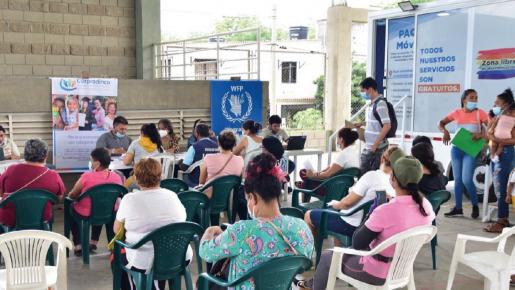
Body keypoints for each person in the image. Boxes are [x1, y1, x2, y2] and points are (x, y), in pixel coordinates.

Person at [305, 155, 435, 290]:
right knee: (342, 252)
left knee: (327, 257)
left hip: (375, 273)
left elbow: (357, 243)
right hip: (402, 268)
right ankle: (311, 284)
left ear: (393, 179)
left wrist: (371, 213)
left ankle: (313, 285)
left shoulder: (385, 210)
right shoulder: (426, 206)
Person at [199, 153, 314, 290]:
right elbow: (303, 265)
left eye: (247, 198)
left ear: (253, 198)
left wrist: (209, 231)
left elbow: (206, 252)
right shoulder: (301, 227)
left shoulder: (242, 231)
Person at [113, 158, 191, 290]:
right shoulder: (172, 195)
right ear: (161, 176)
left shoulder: (129, 199)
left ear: (136, 179)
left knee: (116, 257)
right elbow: (182, 219)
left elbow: (117, 230)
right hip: (180, 257)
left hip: (144, 262)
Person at [303, 147, 400, 245]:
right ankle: (338, 255)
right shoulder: (397, 183)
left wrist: (336, 205)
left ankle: (312, 252)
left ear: (382, 159)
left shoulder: (372, 176)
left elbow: (347, 203)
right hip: (371, 226)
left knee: (308, 215)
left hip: (352, 224)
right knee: (334, 214)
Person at [439, 89, 488, 219]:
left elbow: (492, 130)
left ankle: (475, 205)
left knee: (467, 179)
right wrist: (445, 131)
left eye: (476, 98)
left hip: (471, 150)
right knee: (458, 180)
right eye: (471, 97)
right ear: (464, 99)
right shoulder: (457, 112)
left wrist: (481, 135)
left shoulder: (480, 113)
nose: (474, 100)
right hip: (457, 149)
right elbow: (441, 123)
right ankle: (458, 208)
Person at [67, 148, 123, 256]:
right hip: (110, 212)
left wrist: (70, 195)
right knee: (101, 205)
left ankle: (78, 246)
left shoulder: (86, 176)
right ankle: (93, 242)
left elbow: (73, 194)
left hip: (87, 214)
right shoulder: (117, 176)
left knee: (72, 208)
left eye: (91, 160)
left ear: (97, 163)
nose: (90, 162)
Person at [0, 139, 65, 228]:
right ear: (46, 156)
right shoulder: (53, 175)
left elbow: (2, 191)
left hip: (11, 220)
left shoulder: (11, 170)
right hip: (41, 219)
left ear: (25, 154)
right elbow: (58, 198)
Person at [484, 88, 515, 233]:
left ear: (506, 104)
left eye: (497, 103)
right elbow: (488, 134)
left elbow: (512, 139)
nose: (494, 105)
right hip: (496, 154)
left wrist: (497, 140)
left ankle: (501, 221)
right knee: (498, 188)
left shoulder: (513, 115)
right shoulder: (499, 117)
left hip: (505, 154)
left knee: (502, 189)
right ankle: (503, 219)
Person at [354, 77, 391, 174]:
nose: (362, 94)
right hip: (370, 147)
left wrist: (375, 145)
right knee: (365, 175)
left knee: (370, 175)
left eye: (363, 91)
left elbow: (387, 125)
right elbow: (377, 121)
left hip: (377, 149)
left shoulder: (381, 104)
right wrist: (362, 123)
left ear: (370, 89)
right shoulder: (372, 104)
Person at [199, 130, 244, 198]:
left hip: (210, 198)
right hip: (230, 199)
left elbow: (201, 182)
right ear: (234, 144)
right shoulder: (240, 160)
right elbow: (240, 181)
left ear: (219, 143)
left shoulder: (208, 158)